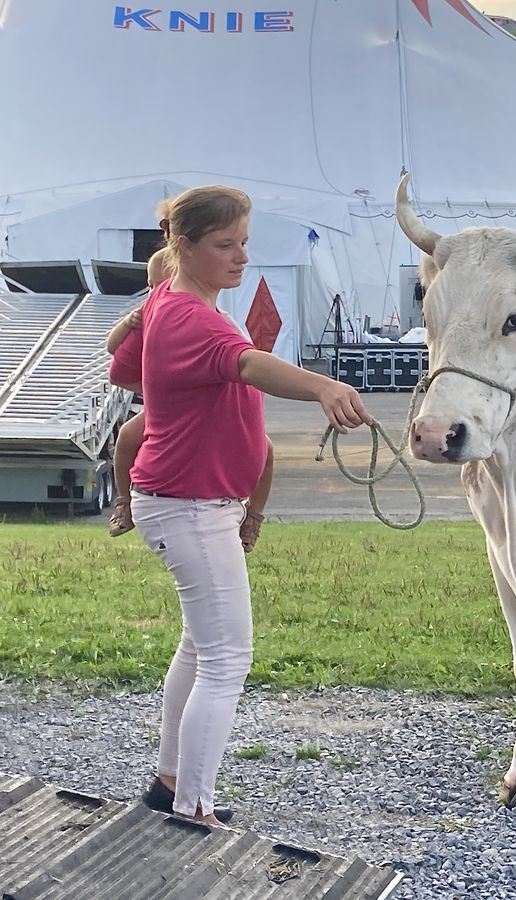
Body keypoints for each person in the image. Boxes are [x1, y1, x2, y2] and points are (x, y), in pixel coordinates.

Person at [108, 185, 372, 827]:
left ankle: (171, 784)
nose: (240, 257)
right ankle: (194, 807)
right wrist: (323, 387)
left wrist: (249, 507)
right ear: (182, 244)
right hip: (189, 505)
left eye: (245, 243)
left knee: (200, 649)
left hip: (192, 502)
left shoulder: (176, 304)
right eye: (225, 245)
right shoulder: (191, 317)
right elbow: (251, 366)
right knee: (227, 659)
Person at [107, 246, 275, 551]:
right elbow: (116, 364)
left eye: (161, 285)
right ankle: (124, 501)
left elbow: (245, 368)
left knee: (265, 451)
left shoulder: (212, 322)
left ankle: (253, 516)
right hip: (176, 410)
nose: (156, 293)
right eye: (151, 286)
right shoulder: (148, 319)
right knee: (127, 436)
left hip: (213, 405)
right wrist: (158, 391)